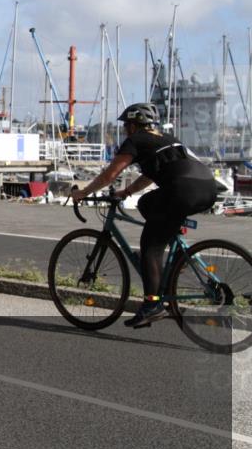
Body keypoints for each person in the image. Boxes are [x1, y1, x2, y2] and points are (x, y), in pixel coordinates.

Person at [70, 103, 218, 328]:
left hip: (182, 190)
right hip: (207, 188)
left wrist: (84, 192)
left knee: (150, 246)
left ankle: (152, 306)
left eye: (126, 125)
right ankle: (176, 253)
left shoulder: (136, 140)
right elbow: (152, 174)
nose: (125, 130)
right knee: (149, 205)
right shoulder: (166, 138)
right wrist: (127, 191)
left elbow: (111, 173)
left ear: (133, 125)